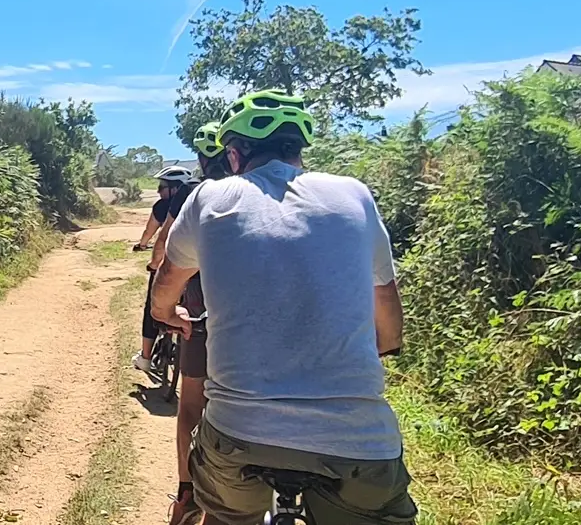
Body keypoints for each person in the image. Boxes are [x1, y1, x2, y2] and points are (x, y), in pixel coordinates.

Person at [151, 91, 415, 525]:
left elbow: (166, 285)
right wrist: (383, 345)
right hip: (358, 442)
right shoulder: (355, 196)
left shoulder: (210, 198)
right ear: (299, 147)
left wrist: (167, 314)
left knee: (224, 511)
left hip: (239, 433)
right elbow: (387, 313)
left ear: (233, 155)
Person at [161, 123, 231, 525]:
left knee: (191, 404)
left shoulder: (201, 196)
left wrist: (164, 310)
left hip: (203, 312)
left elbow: (167, 256)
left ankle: (187, 494)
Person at [133, 165, 197, 373]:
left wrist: (143, 247)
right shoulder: (198, 202)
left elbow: (151, 232)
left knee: (152, 306)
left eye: (163, 187)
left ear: (174, 189)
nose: (160, 191)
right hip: (197, 265)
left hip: (172, 261)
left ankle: (145, 357)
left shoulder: (163, 207)